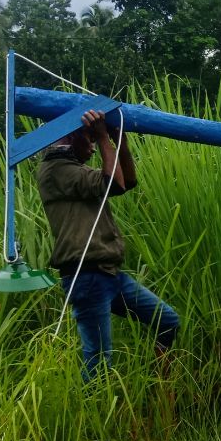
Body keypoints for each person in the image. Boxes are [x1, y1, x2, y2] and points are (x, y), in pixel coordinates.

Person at [38, 109, 179, 379]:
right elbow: (113, 182)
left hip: (107, 273)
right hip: (86, 276)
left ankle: (160, 381)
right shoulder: (56, 170)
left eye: (95, 140)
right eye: (89, 139)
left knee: (167, 321)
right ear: (72, 135)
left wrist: (120, 141)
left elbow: (127, 182)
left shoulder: (72, 170)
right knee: (99, 360)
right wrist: (104, 137)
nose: (93, 148)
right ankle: (92, 402)